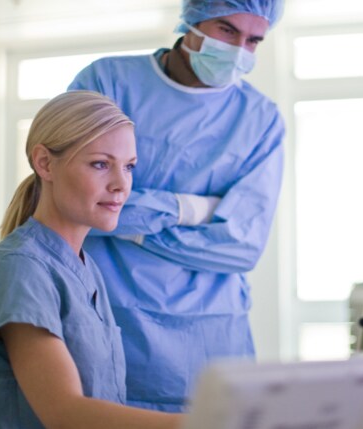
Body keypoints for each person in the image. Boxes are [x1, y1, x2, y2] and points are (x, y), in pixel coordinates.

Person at [68, 0, 286, 412]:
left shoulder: (261, 119)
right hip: (109, 317)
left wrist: (129, 224)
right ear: (193, 19)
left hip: (209, 334)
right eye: (227, 30)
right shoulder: (107, 82)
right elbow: (76, 198)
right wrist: (193, 209)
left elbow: (241, 246)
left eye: (254, 40)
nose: (239, 50)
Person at [0, 90, 182, 429]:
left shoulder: (84, 268)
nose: (121, 184)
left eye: (129, 167)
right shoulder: (19, 270)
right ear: (45, 163)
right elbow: (65, 413)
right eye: (100, 164)